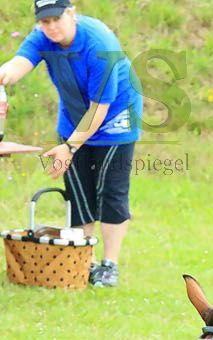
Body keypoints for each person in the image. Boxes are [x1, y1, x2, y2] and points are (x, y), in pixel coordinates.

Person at [0, 0, 142, 288]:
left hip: (115, 117)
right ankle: (83, 261)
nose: (51, 27)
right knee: (79, 193)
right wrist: (3, 77)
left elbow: (100, 107)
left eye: (56, 19)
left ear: (71, 13)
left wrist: (69, 147)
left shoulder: (99, 44)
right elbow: (18, 65)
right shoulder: (42, 37)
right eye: (45, 21)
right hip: (74, 118)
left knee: (111, 192)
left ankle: (109, 264)